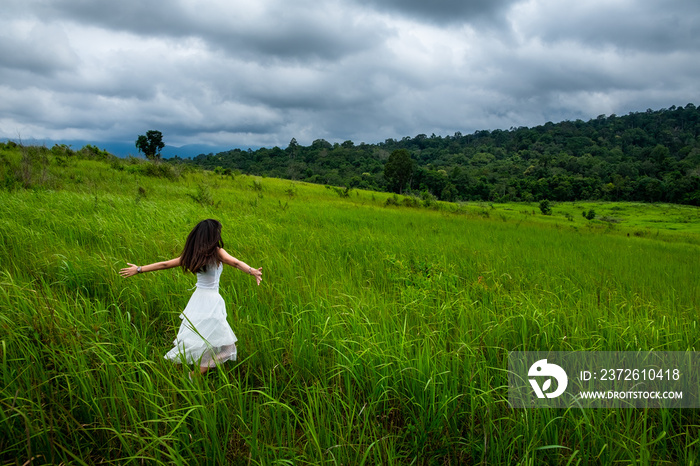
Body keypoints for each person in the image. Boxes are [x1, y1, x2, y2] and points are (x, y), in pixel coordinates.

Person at [119, 219, 262, 379]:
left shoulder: (193, 254)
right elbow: (235, 262)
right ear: (213, 235)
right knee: (227, 348)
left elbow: (165, 264)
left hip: (198, 301)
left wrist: (139, 269)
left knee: (207, 339)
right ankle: (193, 375)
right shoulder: (217, 252)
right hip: (212, 302)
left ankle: (195, 371)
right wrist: (252, 271)